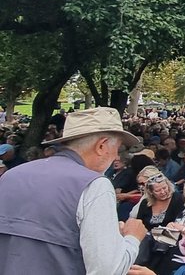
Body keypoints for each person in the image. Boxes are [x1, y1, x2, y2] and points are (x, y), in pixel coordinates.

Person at [0, 107, 147, 274]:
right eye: (117, 149)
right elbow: (107, 270)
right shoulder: (95, 185)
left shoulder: (11, 175)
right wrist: (132, 238)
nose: (116, 157)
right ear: (101, 146)